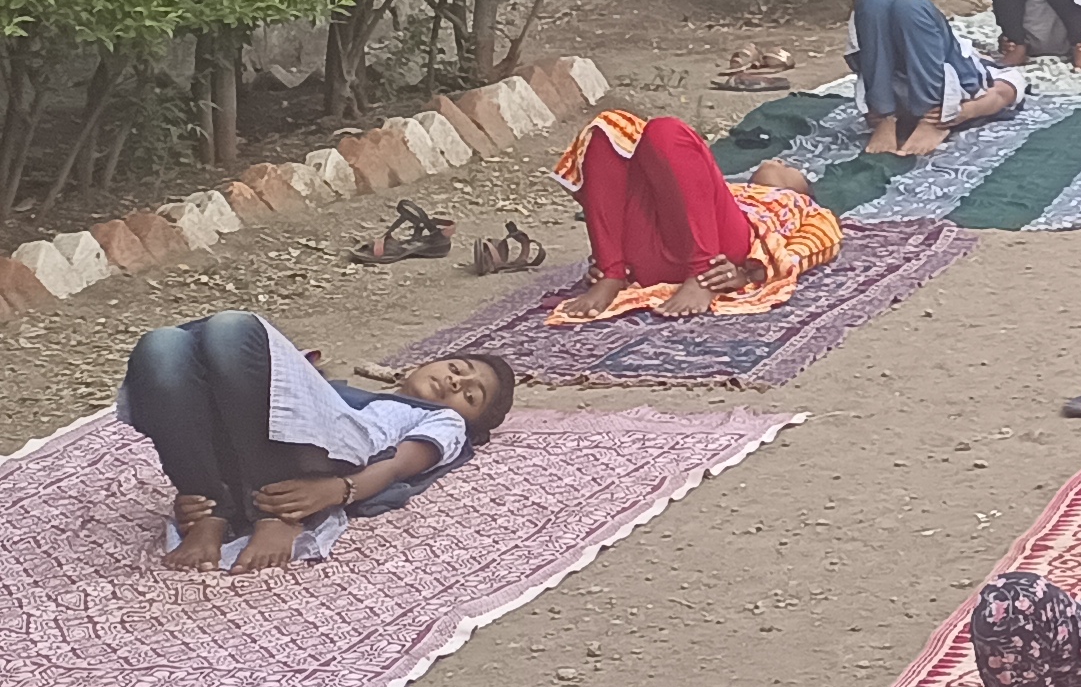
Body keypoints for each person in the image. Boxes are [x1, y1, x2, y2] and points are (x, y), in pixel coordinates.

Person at [123, 310, 511, 574]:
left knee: (232, 328)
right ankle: (210, 508)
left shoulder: (443, 420)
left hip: (332, 454)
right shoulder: (358, 393)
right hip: (257, 449)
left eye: (470, 396)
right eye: (457, 369)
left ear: (468, 421)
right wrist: (194, 474)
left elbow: (399, 464)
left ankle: (274, 515)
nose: (457, 382)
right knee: (160, 348)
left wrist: (340, 490)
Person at [550, 110, 842, 321]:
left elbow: (811, 249)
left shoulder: (807, 210)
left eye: (787, 168)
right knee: (606, 127)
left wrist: (748, 274)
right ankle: (610, 273)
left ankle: (701, 274)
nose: (775, 163)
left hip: (719, 258)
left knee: (666, 131)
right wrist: (612, 249)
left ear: (802, 189)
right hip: (646, 261)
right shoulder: (725, 190)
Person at [847, 0, 1022, 157]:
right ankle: (886, 117)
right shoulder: (972, 56)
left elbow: (1004, 92)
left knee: (911, 7)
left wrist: (962, 112)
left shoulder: (978, 68)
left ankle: (927, 121)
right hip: (889, 91)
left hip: (939, 98)